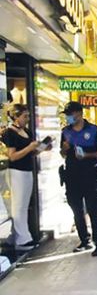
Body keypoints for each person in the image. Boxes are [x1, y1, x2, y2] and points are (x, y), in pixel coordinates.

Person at [60, 101, 97, 257]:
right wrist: (64, 149)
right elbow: (62, 154)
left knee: (93, 208)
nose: (68, 117)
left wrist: (88, 155)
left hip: (90, 174)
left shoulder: (94, 130)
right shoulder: (65, 132)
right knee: (76, 209)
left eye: (70, 114)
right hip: (72, 175)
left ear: (79, 113)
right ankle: (84, 240)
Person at [1, 104, 51, 251]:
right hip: (16, 171)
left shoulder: (26, 131)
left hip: (28, 170)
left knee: (23, 204)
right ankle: (23, 238)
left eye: (28, 116)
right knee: (18, 205)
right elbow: (13, 156)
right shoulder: (10, 133)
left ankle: (16, 235)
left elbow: (31, 153)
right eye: (24, 116)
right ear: (16, 117)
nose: (27, 119)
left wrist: (41, 148)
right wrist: (29, 148)